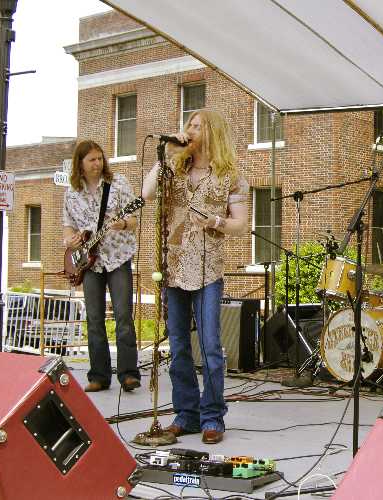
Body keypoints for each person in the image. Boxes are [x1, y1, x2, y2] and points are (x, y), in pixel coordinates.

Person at [142, 109, 249, 444]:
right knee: (177, 346)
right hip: (173, 267)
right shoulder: (173, 168)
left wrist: (216, 222)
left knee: (210, 346)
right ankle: (186, 415)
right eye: (188, 124)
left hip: (207, 268)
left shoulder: (231, 175)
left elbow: (241, 224)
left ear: (212, 132)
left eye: (197, 126)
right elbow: (146, 193)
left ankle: (212, 416)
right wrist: (167, 153)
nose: (190, 129)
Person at [63, 140, 140, 393]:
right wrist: (71, 240)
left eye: (100, 158)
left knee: (123, 315)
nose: (97, 163)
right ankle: (99, 375)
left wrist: (122, 224)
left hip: (117, 257)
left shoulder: (118, 184)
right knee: (94, 319)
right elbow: (68, 226)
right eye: (92, 160)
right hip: (88, 263)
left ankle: (128, 374)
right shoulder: (72, 192)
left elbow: (133, 220)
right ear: (80, 164)